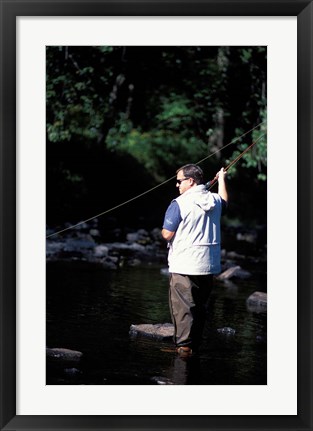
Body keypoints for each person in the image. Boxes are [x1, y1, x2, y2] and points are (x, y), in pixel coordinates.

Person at [161, 164, 228, 356]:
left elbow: (167, 234)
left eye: (180, 181)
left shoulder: (179, 203)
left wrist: (165, 232)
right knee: (200, 307)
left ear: (191, 181)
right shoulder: (214, 200)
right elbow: (224, 201)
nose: (177, 185)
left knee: (183, 308)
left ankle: (183, 348)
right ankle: (193, 346)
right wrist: (222, 179)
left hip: (184, 264)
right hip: (209, 265)